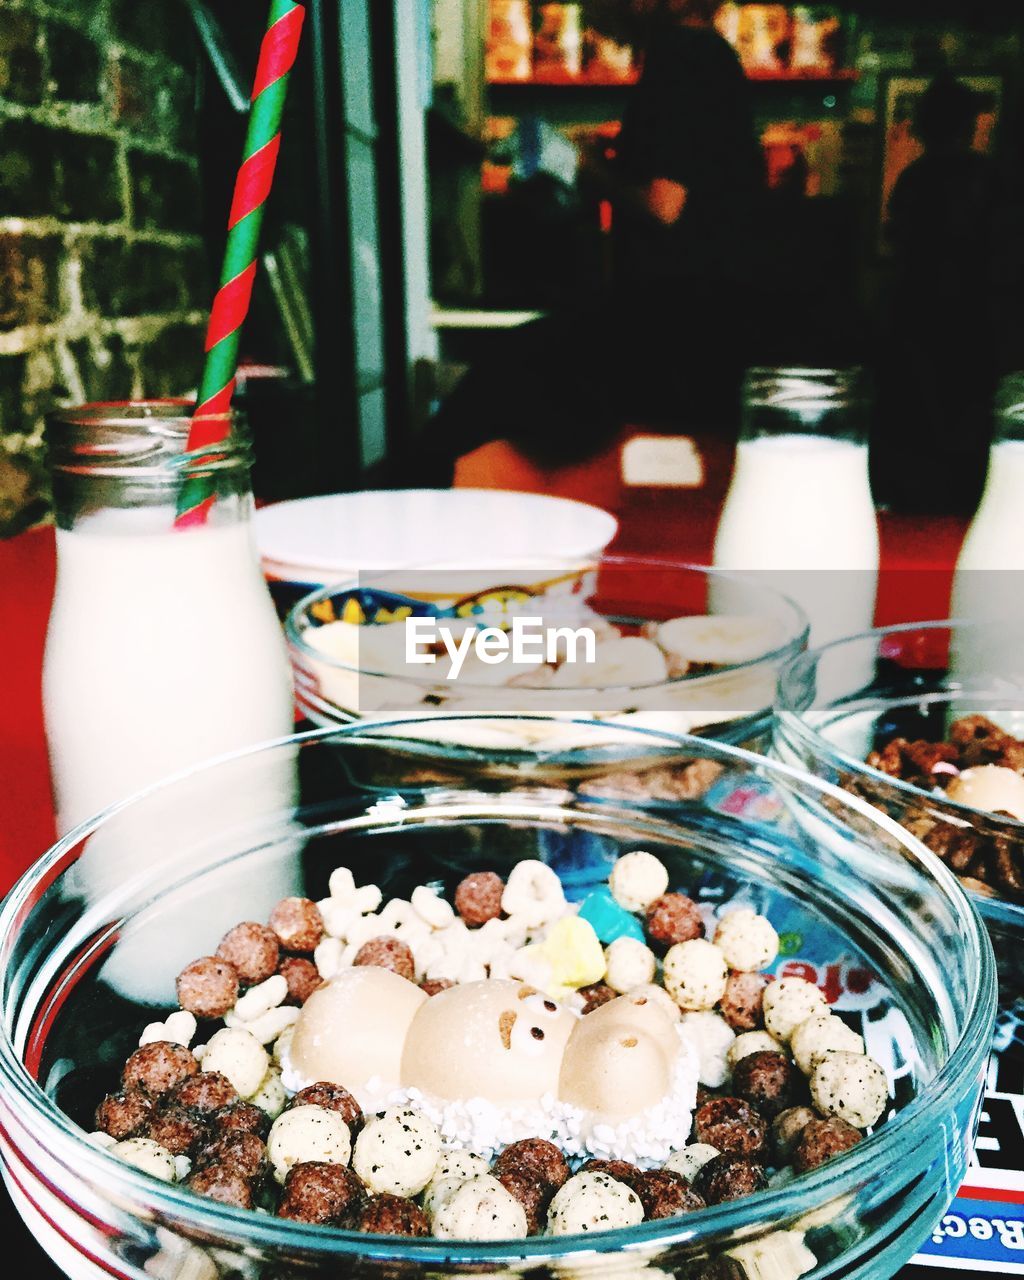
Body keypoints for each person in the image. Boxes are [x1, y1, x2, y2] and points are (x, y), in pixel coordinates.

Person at [374, 0, 763, 487]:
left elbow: (665, 205)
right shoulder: (712, 58)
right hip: (701, 324)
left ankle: (393, 505)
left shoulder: (686, 56)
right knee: (510, 384)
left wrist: (583, 166)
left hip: (674, 324)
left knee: (500, 379)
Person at [874, 74, 1001, 514]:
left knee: (917, 429)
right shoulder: (989, 178)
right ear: (971, 125)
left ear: (924, 127)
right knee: (965, 431)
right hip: (975, 318)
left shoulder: (914, 178)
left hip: (917, 315)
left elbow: (894, 240)